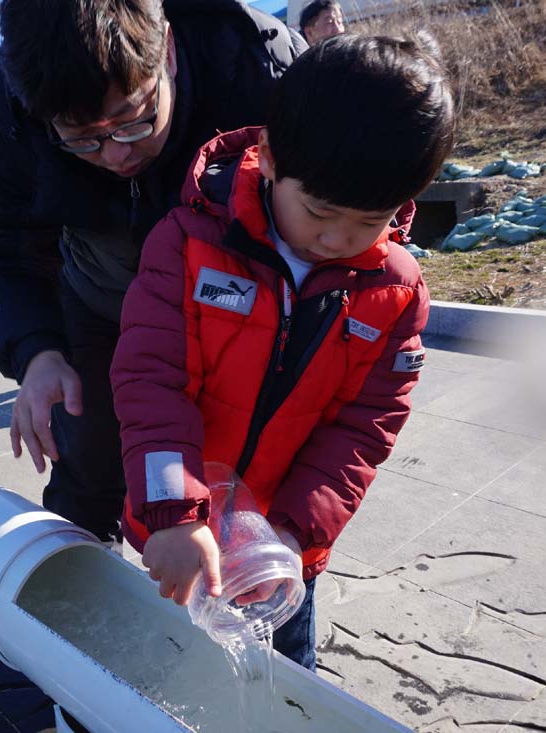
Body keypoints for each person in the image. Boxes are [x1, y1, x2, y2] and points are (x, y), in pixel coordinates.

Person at [110, 33, 455, 669]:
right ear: (268, 157)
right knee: (167, 664)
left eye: (368, 221)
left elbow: (365, 428)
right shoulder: (188, 244)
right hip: (182, 530)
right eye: (320, 211)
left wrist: (295, 534)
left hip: (282, 548)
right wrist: (172, 514)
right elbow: (151, 384)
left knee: (286, 674)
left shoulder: (396, 292)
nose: (338, 238)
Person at [0, 0, 307, 545]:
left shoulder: (264, 70)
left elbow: (343, 212)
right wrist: (36, 352)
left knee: (256, 492)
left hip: (239, 311)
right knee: (88, 470)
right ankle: (77, 613)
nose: (116, 156)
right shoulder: (3, 109)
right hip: (100, 304)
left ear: (166, 50)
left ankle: (271, 614)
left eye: (133, 122)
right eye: (82, 138)